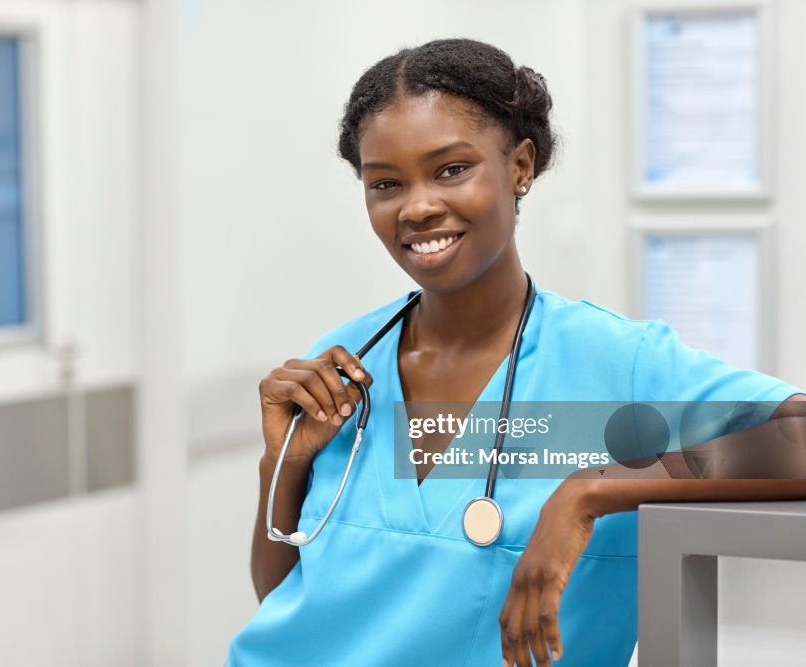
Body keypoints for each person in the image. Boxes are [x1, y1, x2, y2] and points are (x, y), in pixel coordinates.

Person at [225, 38, 806, 667]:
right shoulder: (345, 367)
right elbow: (282, 597)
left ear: (520, 166)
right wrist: (280, 463)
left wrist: (593, 488)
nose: (417, 206)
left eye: (451, 169)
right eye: (386, 183)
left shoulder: (615, 362)